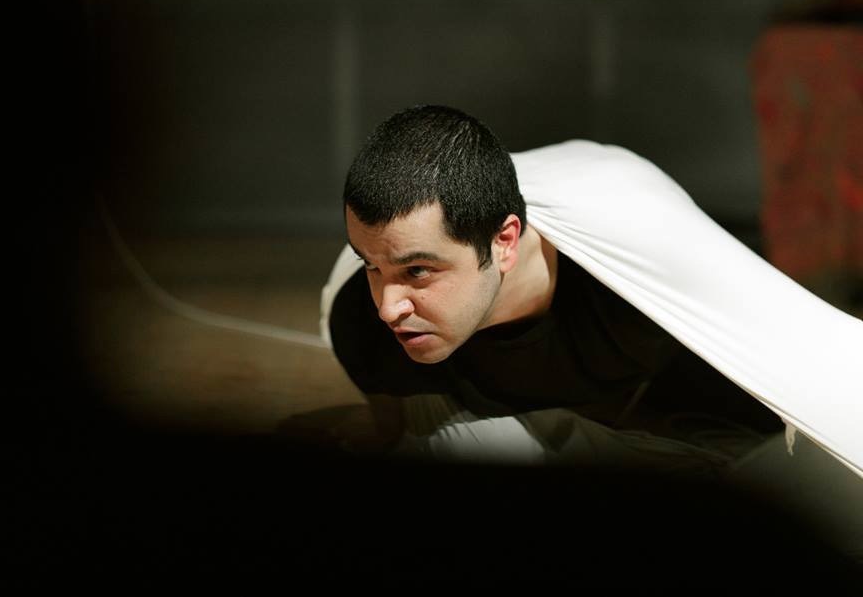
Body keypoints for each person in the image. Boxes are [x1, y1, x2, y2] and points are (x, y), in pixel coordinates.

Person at [316, 104, 863, 480]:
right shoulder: (362, 323)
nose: (389, 307)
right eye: (373, 267)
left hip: (613, 204)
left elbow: (814, 352)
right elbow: (391, 422)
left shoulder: (639, 273)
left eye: (418, 272)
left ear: (504, 243)